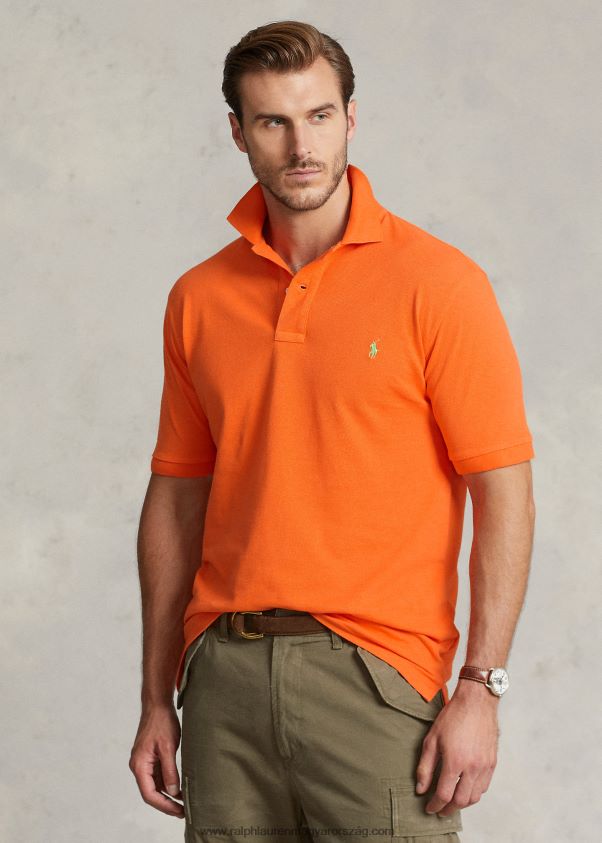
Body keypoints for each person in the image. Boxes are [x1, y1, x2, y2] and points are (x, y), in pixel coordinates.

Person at [129, 20, 536, 842]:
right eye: (273, 122)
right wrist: (156, 696)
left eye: (319, 116)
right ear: (238, 133)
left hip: (377, 680)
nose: (300, 146)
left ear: (352, 118)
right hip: (225, 683)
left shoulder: (438, 284)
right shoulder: (198, 298)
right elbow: (175, 502)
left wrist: (481, 686)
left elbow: (505, 495)